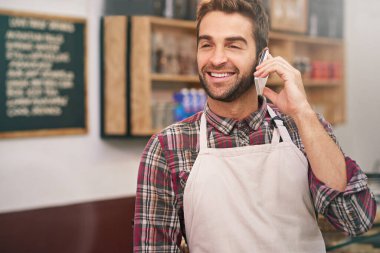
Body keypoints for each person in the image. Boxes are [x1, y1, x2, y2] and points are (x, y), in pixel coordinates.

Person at [133, 0, 377, 252]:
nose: (216, 59)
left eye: (233, 45)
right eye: (207, 44)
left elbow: (355, 220)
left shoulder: (301, 130)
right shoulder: (167, 148)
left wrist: (303, 112)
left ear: (263, 57)